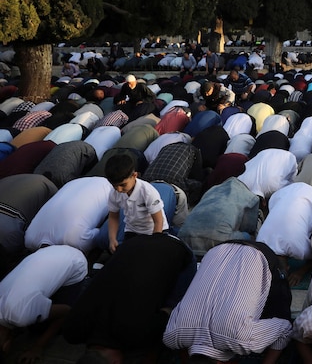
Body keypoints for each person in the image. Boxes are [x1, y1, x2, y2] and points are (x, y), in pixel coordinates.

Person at [63, 234, 196, 364]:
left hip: (178, 248)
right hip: (134, 242)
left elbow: (167, 313)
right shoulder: (72, 330)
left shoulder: (136, 335)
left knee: (174, 309)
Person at [162, 241, 293, 364]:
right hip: (216, 251)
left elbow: (285, 329)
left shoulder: (243, 340)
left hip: (259, 253)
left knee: (280, 313)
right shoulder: (171, 335)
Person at [0, 245, 88, 363]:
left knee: (53, 326)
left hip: (74, 260)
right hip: (46, 253)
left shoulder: (20, 316)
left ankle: (88, 286)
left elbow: (66, 311)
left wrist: (38, 347)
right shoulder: (18, 314)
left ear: (6, 347)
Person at [104, 152, 168, 253]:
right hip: (132, 230)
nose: (119, 189)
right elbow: (113, 216)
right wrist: (112, 239)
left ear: (134, 175)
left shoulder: (147, 192)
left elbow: (158, 221)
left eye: (123, 185)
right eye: (115, 186)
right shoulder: (114, 193)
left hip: (154, 230)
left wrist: (153, 243)